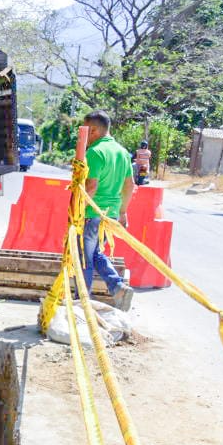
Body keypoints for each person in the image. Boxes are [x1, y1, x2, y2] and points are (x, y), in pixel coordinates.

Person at [81, 111, 134, 311]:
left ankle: (82, 300)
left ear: (93, 130)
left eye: (85, 130)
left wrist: (77, 210)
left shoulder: (94, 152)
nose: (82, 135)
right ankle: (117, 287)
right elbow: (130, 185)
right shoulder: (122, 152)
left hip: (92, 213)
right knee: (95, 253)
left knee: (85, 257)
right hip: (110, 215)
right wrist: (123, 213)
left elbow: (91, 187)